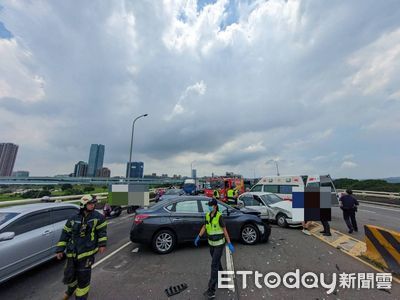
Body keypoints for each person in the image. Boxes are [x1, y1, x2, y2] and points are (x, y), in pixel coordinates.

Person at [56, 195, 108, 300]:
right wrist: (60, 249)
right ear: (83, 205)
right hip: (72, 253)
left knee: (83, 279)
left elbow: (102, 232)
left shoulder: (98, 217)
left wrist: (102, 244)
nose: (92, 205)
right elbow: (65, 234)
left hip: (87, 254)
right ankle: (70, 290)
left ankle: (81, 297)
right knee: (69, 275)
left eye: (93, 204)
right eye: (90, 204)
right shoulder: (73, 218)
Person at [194, 198, 235, 299]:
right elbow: (205, 226)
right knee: (216, 262)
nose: (209, 206)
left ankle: (211, 291)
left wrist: (229, 243)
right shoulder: (208, 215)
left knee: (214, 265)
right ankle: (222, 274)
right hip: (211, 244)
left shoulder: (219, 217)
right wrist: (198, 236)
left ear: (215, 206)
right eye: (208, 205)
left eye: (210, 205)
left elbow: (225, 230)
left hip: (219, 244)